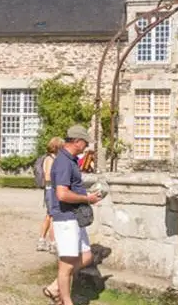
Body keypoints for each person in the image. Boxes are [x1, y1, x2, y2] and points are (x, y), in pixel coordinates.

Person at [43, 126, 102, 305]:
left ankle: (55, 287)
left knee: (86, 256)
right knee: (66, 264)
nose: (86, 147)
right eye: (85, 142)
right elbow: (61, 194)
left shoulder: (71, 160)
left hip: (75, 216)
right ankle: (66, 301)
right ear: (77, 141)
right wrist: (87, 198)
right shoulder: (63, 162)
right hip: (66, 217)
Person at [37, 137, 65, 252]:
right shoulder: (50, 159)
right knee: (54, 216)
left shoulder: (52, 158)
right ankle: (53, 243)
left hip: (50, 189)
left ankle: (41, 241)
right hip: (51, 189)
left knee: (49, 215)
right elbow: (48, 176)